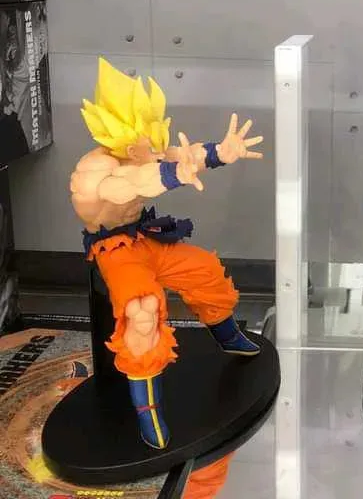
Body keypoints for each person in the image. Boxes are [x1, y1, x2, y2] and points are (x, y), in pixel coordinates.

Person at [70, 57, 264, 449]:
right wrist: (172, 175)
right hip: (115, 251)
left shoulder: (145, 149)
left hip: (146, 239)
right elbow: (126, 185)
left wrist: (219, 153)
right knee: (142, 311)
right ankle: (148, 411)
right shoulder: (94, 169)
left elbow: (179, 155)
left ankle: (228, 336)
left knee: (203, 269)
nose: (155, 144)